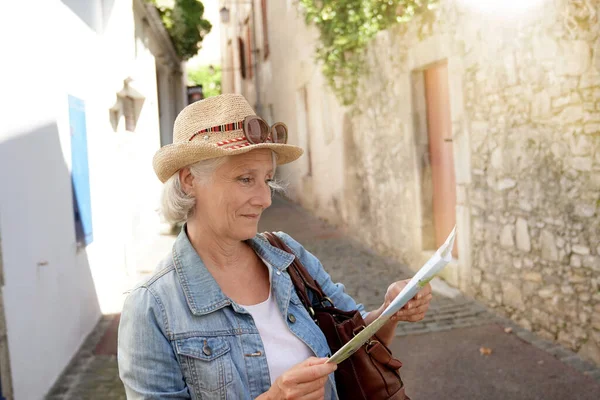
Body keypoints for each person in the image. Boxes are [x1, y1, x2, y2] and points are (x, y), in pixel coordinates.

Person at [118, 94, 433, 400]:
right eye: (245, 179)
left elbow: (355, 338)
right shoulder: (152, 308)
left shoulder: (286, 255)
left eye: (266, 179)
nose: (265, 199)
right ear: (189, 180)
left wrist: (391, 312)